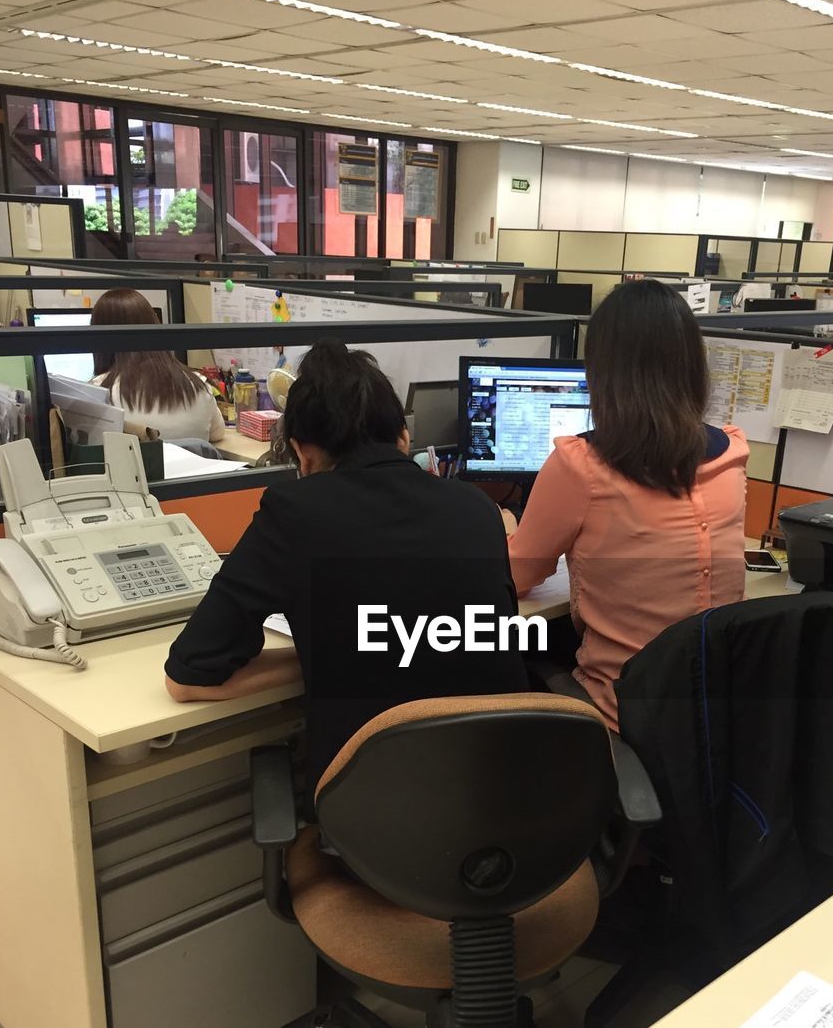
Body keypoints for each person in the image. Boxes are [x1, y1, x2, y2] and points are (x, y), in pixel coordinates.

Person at [165, 340, 528, 806]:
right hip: (500, 808)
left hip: (374, 830)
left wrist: (331, 651)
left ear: (302, 453)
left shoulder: (293, 513)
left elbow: (188, 676)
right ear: (403, 438)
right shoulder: (477, 508)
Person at [505, 279, 748, 727]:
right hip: (725, 711)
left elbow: (514, 578)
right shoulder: (732, 455)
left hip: (627, 710)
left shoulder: (581, 466)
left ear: (602, 370)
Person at [91, 288, 225, 444]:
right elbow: (217, 434)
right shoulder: (198, 384)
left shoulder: (99, 393)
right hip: (194, 468)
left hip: (137, 469)